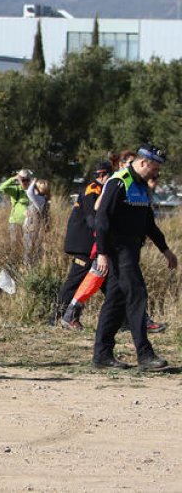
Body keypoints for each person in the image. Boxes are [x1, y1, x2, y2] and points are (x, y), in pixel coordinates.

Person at [91, 145, 176, 372]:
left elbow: (148, 222)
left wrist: (165, 249)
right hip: (118, 250)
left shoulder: (141, 186)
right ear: (143, 163)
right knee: (137, 294)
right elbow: (102, 219)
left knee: (116, 302)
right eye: (155, 168)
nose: (156, 173)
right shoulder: (119, 181)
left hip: (132, 249)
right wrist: (101, 252)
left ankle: (102, 355)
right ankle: (145, 355)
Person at [56, 161, 111, 329]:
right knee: (75, 281)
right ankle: (57, 317)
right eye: (109, 176)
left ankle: (124, 320)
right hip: (84, 243)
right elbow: (91, 218)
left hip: (93, 243)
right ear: (103, 175)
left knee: (108, 282)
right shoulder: (93, 189)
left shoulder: (101, 189)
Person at [0, 169, 33, 245]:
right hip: (16, 222)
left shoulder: (32, 191)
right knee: (15, 244)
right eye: (23, 180)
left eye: (27, 180)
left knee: (27, 245)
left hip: (29, 223)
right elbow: (1, 188)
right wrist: (14, 178)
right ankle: (14, 257)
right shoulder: (16, 189)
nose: (25, 182)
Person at [23, 178, 51, 266]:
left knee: (29, 250)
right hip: (34, 227)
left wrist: (33, 182)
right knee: (33, 249)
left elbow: (29, 192)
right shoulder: (42, 199)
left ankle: (28, 268)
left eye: (35, 187)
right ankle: (32, 266)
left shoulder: (39, 199)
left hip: (32, 228)